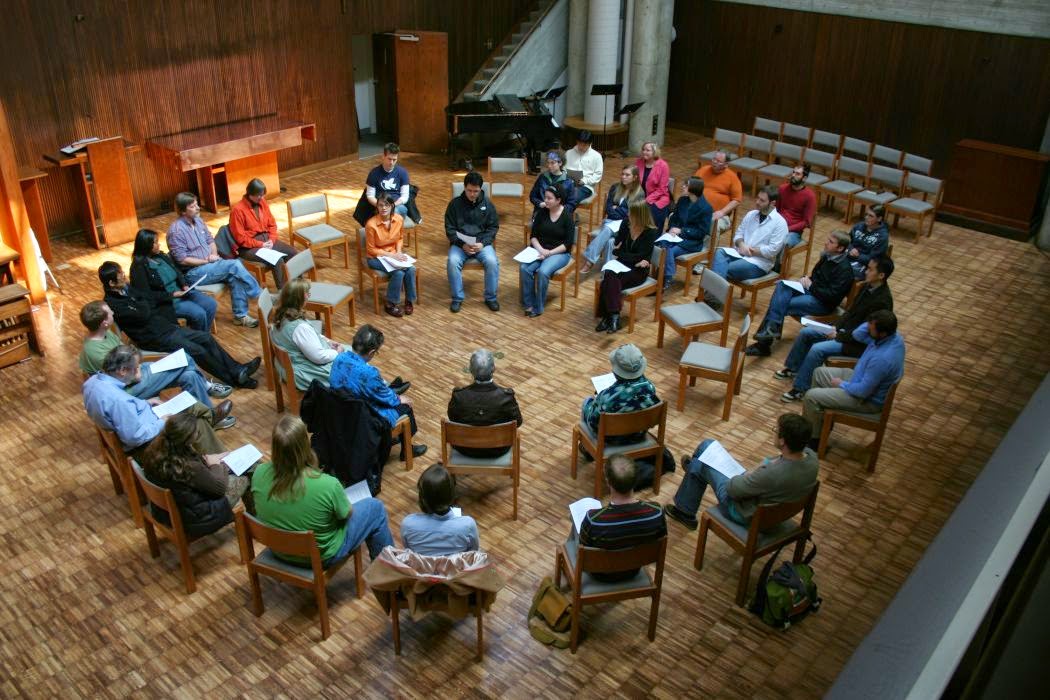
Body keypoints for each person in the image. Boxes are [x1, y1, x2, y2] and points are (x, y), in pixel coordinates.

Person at [251, 415, 395, 566]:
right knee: (375, 508)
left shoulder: (259, 473)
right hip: (321, 557)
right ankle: (389, 575)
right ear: (304, 445)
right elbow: (346, 515)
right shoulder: (327, 485)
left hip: (279, 550)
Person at [99, 261, 260, 389]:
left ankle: (237, 369)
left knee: (205, 337)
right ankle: (234, 379)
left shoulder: (127, 290)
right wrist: (144, 305)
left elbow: (147, 300)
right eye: (120, 274)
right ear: (112, 283)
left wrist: (143, 304)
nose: (123, 275)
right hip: (153, 337)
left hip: (164, 327)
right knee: (198, 350)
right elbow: (144, 311)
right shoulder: (112, 303)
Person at [663, 414, 819, 531]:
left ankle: (686, 507)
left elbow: (732, 490)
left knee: (705, 452)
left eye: (776, 430)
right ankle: (695, 471)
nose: (774, 432)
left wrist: (751, 473)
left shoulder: (771, 473)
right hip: (768, 500)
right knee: (703, 458)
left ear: (783, 441)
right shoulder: (812, 458)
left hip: (742, 510)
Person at [777, 257, 895, 402]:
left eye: (870, 269)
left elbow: (868, 333)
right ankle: (793, 368)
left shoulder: (882, 301)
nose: (865, 271)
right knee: (806, 332)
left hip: (857, 344)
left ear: (881, 275)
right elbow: (849, 312)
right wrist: (836, 327)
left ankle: (801, 388)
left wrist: (839, 335)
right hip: (844, 332)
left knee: (817, 349)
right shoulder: (866, 287)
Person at [83, 345, 232, 453]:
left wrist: (144, 402)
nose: (138, 372)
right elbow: (135, 438)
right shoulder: (120, 401)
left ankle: (211, 416)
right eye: (135, 368)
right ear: (122, 371)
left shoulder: (93, 381)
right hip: (147, 442)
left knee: (187, 400)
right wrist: (163, 422)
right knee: (196, 423)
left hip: (141, 419)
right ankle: (220, 465)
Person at [78, 300, 228, 404]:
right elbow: (128, 378)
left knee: (190, 376)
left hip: (133, 372)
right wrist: (140, 370)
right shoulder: (96, 353)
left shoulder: (104, 333)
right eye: (109, 313)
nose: (112, 312)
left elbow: (127, 361)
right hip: (128, 388)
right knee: (186, 359)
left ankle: (207, 415)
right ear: (104, 323)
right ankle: (206, 390)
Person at [801, 309, 905, 448]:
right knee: (819, 372)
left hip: (866, 399)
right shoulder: (893, 337)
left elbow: (862, 392)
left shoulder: (883, 359)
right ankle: (820, 425)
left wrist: (842, 384)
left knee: (811, 396)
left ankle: (814, 442)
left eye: (870, 328)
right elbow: (857, 334)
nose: (867, 330)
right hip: (860, 378)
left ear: (882, 333)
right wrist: (870, 323)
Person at [140, 412, 250, 538]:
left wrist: (210, 462)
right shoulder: (188, 467)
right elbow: (219, 489)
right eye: (196, 432)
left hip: (165, 512)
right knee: (248, 472)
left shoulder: (154, 451)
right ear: (188, 438)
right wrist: (216, 464)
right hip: (198, 518)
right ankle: (256, 525)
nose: (198, 434)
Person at [745, 230, 855, 356]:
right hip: (812, 292)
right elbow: (815, 276)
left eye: (830, 242)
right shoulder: (827, 256)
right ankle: (769, 335)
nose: (826, 243)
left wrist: (811, 285)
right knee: (782, 286)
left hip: (823, 304)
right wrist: (804, 280)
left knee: (782, 303)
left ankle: (763, 345)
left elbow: (831, 297)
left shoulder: (845, 271)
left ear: (840, 248)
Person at [329, 324, 428, 460]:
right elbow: (386, 398)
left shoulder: (339, 358)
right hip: (365, 416)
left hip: (341, 410)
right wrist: (399, 399)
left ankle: (390, 437)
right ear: (371, 353)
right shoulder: (369, 373)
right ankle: (407, 450)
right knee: (407, 406)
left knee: (390, 394)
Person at [166, 191, 262, 327]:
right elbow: (182, 259)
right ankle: (258, 293)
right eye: (193, 206)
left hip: (211, 265)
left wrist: (214, 256)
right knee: (234, 265)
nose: (198, 207)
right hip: (193, 273)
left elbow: (210, 241)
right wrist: (207, 261)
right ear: (182, 211)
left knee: (236, 275)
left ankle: (240, 316)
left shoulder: (198, 221)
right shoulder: (176, 232)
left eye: (196, 204)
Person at [576, 455, 667, 582]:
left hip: (600, 574)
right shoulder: (656, 512)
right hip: (634, 568)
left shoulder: (594, 519)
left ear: (608, 481)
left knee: (576, 532)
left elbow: (583, 549)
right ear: (636, 480)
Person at [129, 228, 217, 333]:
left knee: (211, 304)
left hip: (183, 292)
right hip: (168, 301)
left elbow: (177, 272)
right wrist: (172, 295)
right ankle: (200, 339)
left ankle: (203, 335)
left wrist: (184, 285)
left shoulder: (161, 256)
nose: (159, 245)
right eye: (156, 242)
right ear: (146, 245)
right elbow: (146, 294)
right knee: (199, 314)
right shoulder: (138, 268)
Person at [708, 185, 788, 299]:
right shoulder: (751, 214)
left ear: (772, 203)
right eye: (758, 198)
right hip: (739, 252)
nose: (757, 202)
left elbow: (773, 250)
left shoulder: (780, 223)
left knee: (723, 267)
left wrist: (751, 251)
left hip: (758, 263)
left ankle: (711, 298)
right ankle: (714, 298)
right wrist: (741, 244)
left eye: (762, 200)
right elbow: (738, 234)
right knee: (718, 254)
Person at [595, 199, 658, 334]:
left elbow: (639, 256)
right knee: (610, 275)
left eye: (631, 212)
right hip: (623, 264)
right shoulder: (625, 224)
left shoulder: (650, 232)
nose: (628, 214)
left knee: (609, 280)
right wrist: (622, 253)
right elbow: (616, 247)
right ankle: (614, 316)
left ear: (640, 215)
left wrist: (622, 253)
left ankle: (608, 317)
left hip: (638, 270)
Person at [447, 349, 523, 458]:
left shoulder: (459, 396)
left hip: (465, 449)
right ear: (494, 369)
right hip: (498, 450)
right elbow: (518, 422)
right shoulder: (506, 397)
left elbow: (452, 418)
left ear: (471, 370)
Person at [271, 279, 345, 390]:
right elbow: (318, 357)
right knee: (351, 371)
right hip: (304, 372)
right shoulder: (300, 328)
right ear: (299, 299)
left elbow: (309, 337)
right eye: (307, 294)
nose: (308, 296)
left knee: (350, 356)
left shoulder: (282, 315)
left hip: (289, 366)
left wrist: (328, 341)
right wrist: (336, 352)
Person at [445, 170, 500, 313]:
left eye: (475, 191)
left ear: (480, 189)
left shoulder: (488, 205)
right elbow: (449, 228)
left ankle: (491, 298)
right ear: (464, 188)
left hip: (481, 244)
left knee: (492, 262)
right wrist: (461, 244)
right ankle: (457, 298)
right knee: (452, 262)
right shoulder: (454, 205)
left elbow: (493, 227)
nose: (472, 194)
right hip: (460, 245)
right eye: (469, 190)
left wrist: (482, 243)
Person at [581, 344, 660, 445]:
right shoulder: (650, 388)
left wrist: (597, 401)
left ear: (616, 372)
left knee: (587, 402)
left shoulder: (607, 397)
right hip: (638, 436)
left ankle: (586, 448)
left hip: (611, 441)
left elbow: (593, 423)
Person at [228, 178, 299, 287]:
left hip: (267, 240)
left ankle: (299, 287)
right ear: (250, 194)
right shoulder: (237, 210)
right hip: (249, 247)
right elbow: (240, 238)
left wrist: (272, 239)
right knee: (277, 260)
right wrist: (260, 245)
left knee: (292, 252)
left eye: (263, 195)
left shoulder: (262, 202)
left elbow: (272, 224)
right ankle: (285, 293)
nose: (262, 198)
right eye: (259, 196)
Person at [400, 463, 481, 556]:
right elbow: (472, 554)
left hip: (422, 569)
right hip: (456, 570)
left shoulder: (408, 524)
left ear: (422, 497)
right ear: (452, 493)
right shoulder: (467, 525)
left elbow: (409, 551)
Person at [520, 184, 574, 318]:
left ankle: (538, 307)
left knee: (544, 271)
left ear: (558, 200)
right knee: (524, 268)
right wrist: (541, 250)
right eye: (545, 197)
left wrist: (549, 253)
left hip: (559, 253)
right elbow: (533, 236)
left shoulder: (567, 216)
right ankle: (529, 303)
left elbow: (567, 244)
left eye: (549, 198)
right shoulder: (541, 213)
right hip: (540, 250)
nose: (546, 201)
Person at [579, 164, 645, 274]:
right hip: (610, 221)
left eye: (627, 175)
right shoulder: (615, 187)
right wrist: (619, 210)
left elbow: (630, 214)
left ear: (635, 177)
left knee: (608, 231)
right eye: (622, 174)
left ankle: (589, 261)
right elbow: (608, 207)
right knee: (610, 241)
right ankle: (608, 272)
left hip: (626, 225)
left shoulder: (639, 194)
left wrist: (617, 209)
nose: (623, 177)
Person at [690, 150, 743, 274]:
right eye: (714, 159)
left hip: (718, 216)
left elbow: (737, 200)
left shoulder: (732, 177)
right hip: (698, 211)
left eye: (718, 161)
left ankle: (703, 261)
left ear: (726, 164)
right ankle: (686, 252)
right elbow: (692, 188)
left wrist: (722, 212)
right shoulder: (703, 170)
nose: (714, 162)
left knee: (713, 224)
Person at [366, 193, 417, 318]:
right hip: (375, 258)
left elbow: (399, 238)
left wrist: (398, 252)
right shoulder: (371, 225)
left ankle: (409, 301)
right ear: (377, 207)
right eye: (380, 205)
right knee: (398, 272)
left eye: (387, 205)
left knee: (411, 269)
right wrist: (390, 255)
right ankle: (390, 303)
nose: (383, 208)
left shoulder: (399, 219)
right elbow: (371, 249)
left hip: (394, 254)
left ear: (392, 206)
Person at [657, 176, 714, 288]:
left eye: (686, 185)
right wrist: (672, 229)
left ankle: (666, 277)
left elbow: (701, 232)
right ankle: (665, 277)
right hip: (675, 236)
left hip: (691, 242)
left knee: (667, 250)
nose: (683, 186)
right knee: (660, 244)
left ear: (694, 188)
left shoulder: (706, 208)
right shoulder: (683, 200)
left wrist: (681, 231)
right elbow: (674, 219)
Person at [778, 164, 817, 250]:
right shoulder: (782, 188)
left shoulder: (810, 196)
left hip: (793, 232)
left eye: (797, 174)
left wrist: (787, 229)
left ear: (804, 178)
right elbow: (776, 210)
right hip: (778, 226)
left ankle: (779, 264)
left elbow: (806, 222)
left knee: (783, 242)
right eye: (793, 172)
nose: (793, 175)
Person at [366, 142, 411, 217]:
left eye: (394, 160)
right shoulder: (374, 173)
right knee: (386, 214)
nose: (391, 162)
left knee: (395, 212)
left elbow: (405, 197)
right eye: (389, 159)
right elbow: (370, 196)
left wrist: (392, 205)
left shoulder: (403, 172)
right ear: (383, 156)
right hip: (380, 206)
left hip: (397, 205)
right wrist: (381, 206)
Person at [847, 205, 890, 279]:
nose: (866, 217)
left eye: (871, 216)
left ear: (879, 219)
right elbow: (847, 241)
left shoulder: (882, 237)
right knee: (827, 257)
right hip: (849, 255)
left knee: (845, 271)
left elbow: (873, 260)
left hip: (864, 264)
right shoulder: (858, 226)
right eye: (866, 214)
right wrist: (851, 249)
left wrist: (857, 256)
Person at [528, 149, 576, 217]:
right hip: (542, 212)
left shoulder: (568, 181)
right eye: (548, 162)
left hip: (560, 215)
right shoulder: (542, 177)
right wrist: (540, 203)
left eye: (552, 163)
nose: (549, 166)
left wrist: (559, 210)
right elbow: (533, 196)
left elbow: (572, 204)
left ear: (560, 163)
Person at [636, 141, 671, 233]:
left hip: (659, 198)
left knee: (652, 216)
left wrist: (647, 200)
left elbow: (662, 189)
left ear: (654, 152)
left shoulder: (663, 166)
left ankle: (653, 240)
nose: (644, 152)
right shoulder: (639, 162)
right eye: (643, 149)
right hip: (642, 197)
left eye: (648, 150)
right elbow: (635, 181)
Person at [564, 130, 603, 202]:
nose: (581, 147)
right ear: (576, 142)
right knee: (556, 194)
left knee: (572, 197)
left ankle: (564, 213)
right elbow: (563, 169)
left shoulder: (596, 156)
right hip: (568, 183)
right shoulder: (569, 153)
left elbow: (598, 175)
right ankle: (564, 213)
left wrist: (584, 181)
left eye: (584, 145)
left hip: (586, 186)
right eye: (579, 143)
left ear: (590, 144)